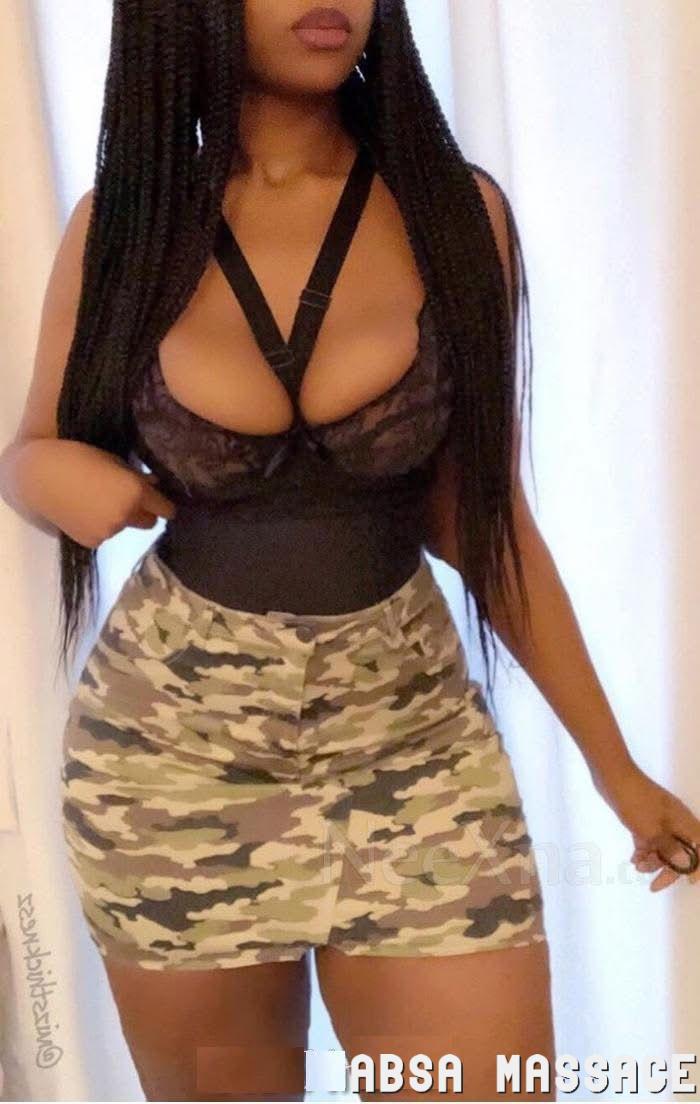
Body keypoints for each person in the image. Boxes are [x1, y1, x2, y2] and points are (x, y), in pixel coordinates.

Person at [1, 2, 698, 1101]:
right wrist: (74, 483)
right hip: (174, 773)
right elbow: (28, 453)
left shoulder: (455, 213)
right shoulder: (122, 227)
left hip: (415, 759)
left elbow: (484, 519)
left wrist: (618, 774)